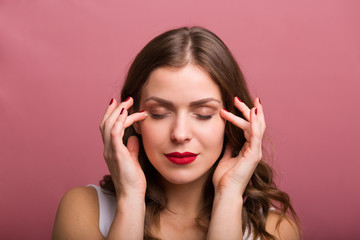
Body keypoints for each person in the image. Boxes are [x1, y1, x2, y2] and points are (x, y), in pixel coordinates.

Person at [52, 26, 300, 240]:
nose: (180, 134)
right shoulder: (84, 210)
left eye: (203, 113)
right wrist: (130, 198)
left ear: (233, 120)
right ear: (133, 118)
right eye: (159, 113)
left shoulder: (275, 230)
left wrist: (229, 196)